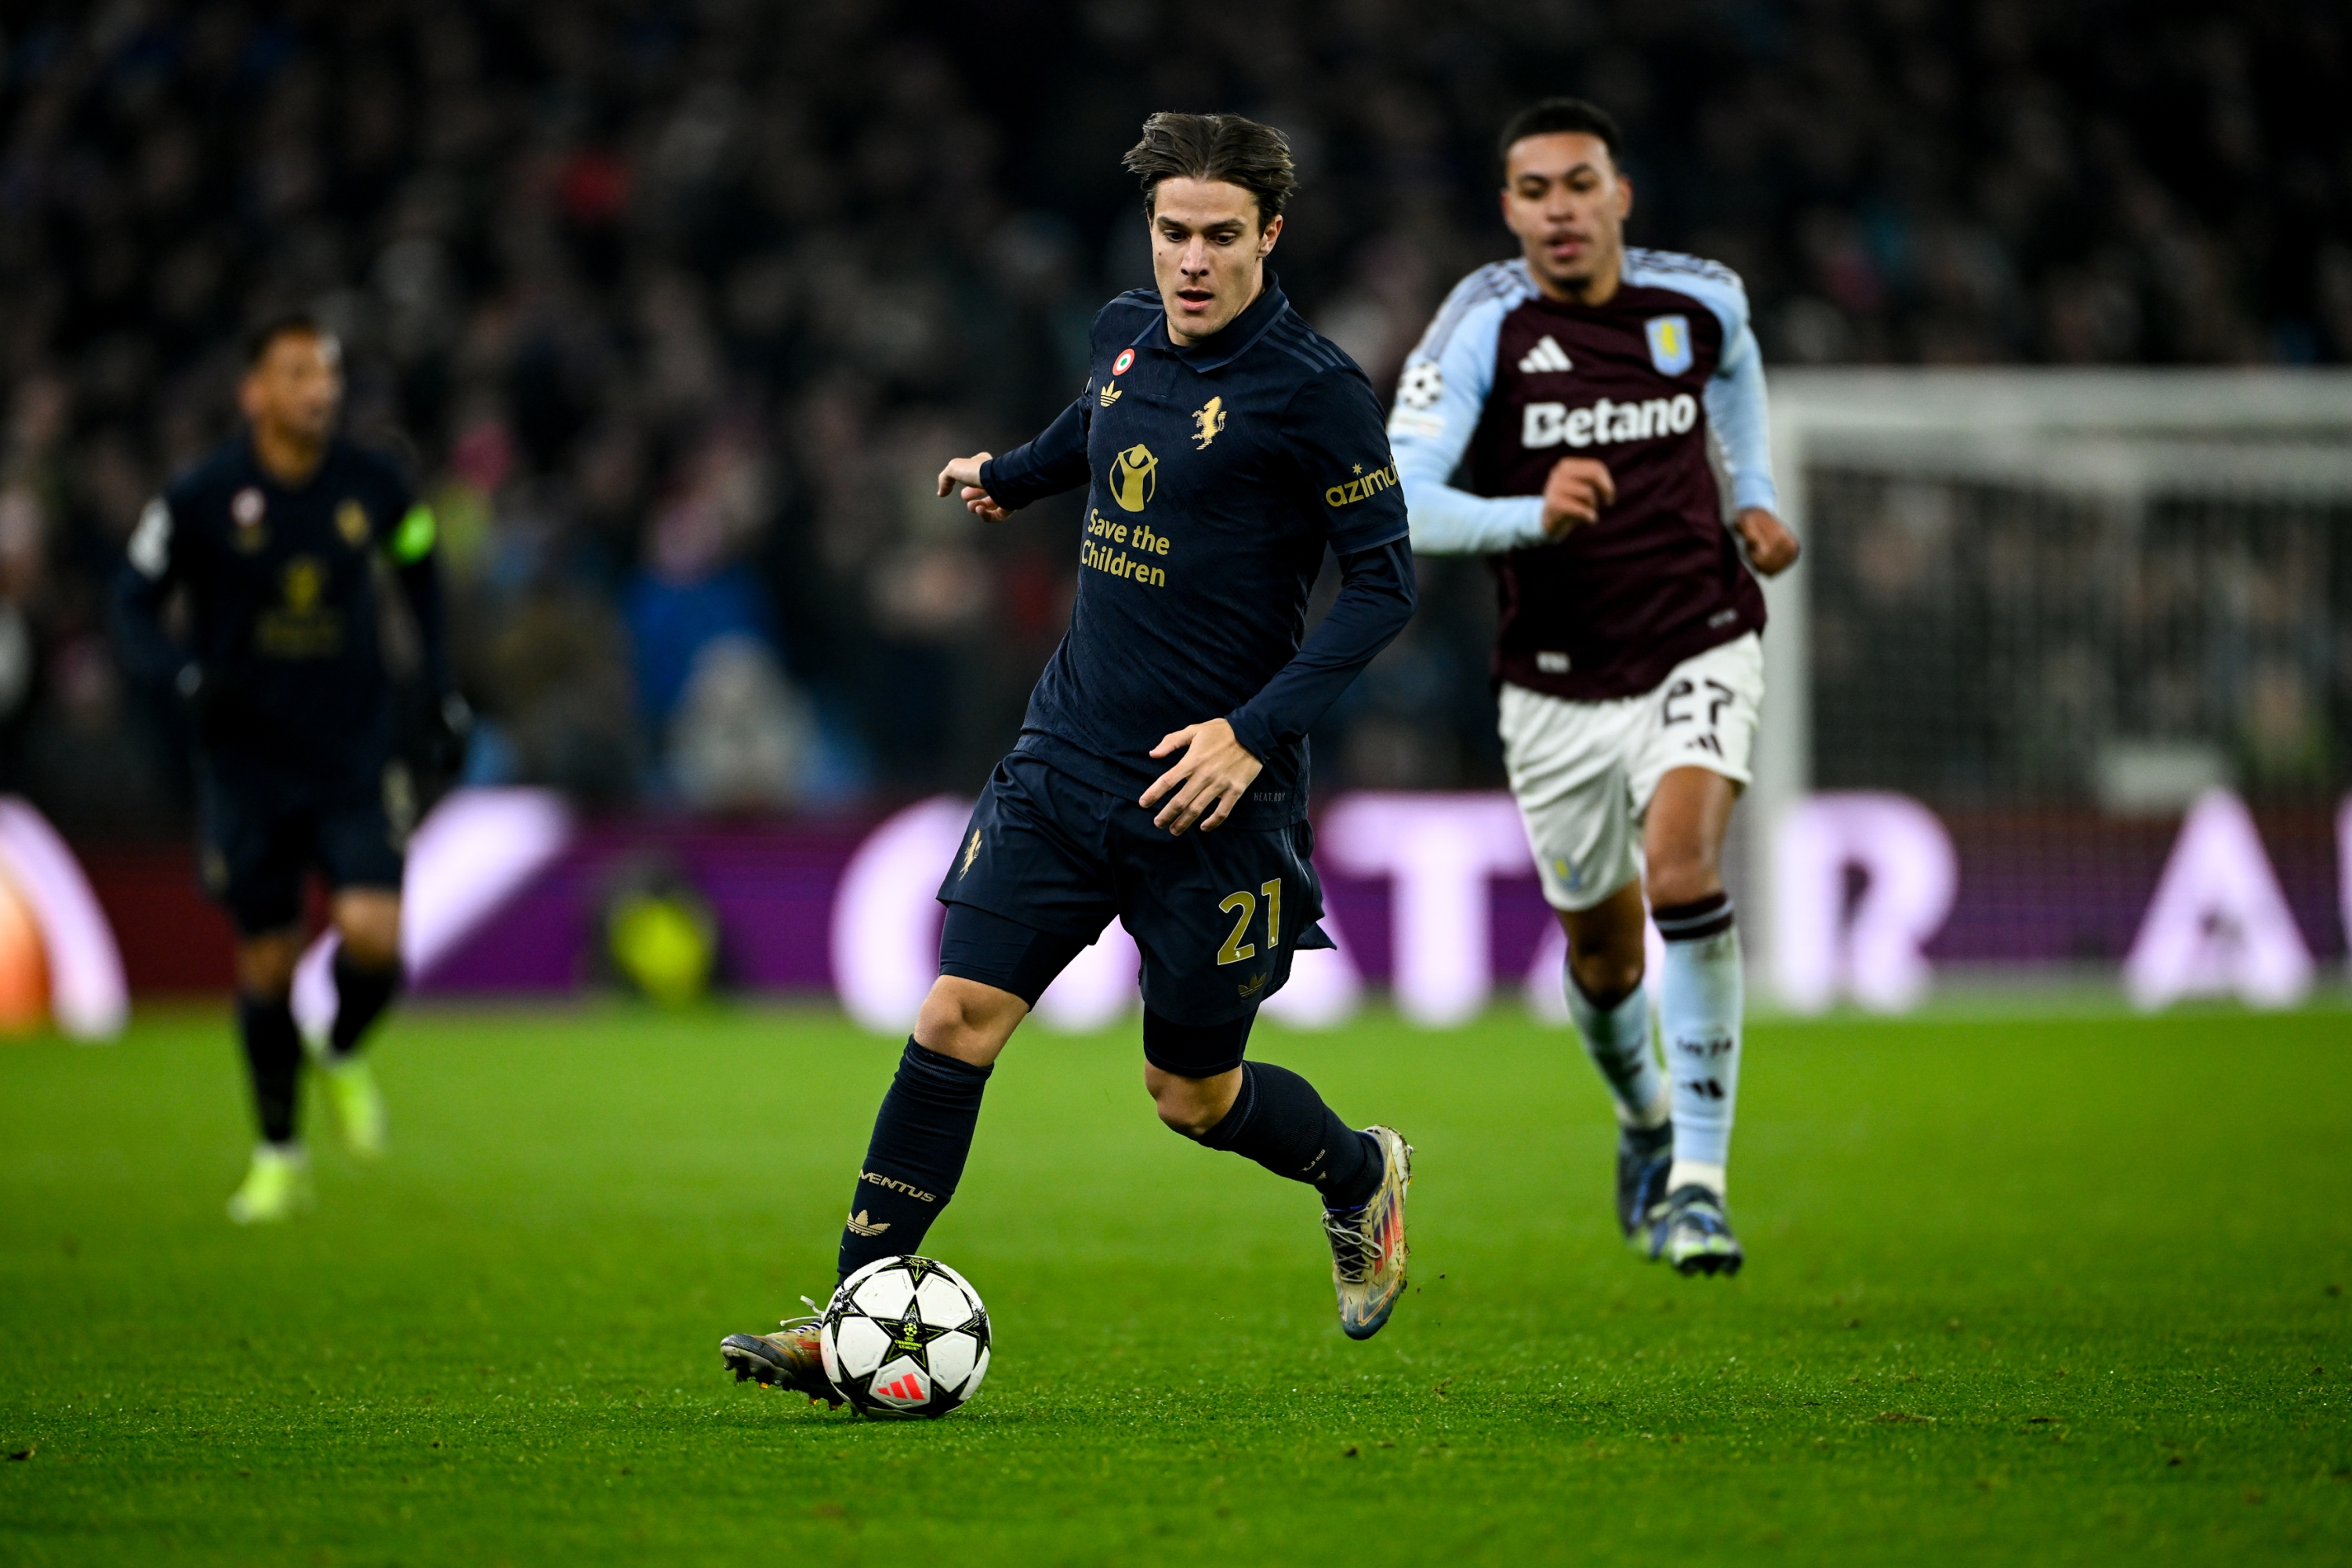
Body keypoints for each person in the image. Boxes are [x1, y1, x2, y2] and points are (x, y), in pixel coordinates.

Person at [723, 112, 1419, 1400]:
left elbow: (1384, 589)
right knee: (955, 1016)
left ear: (1271, 234)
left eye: (1220, 236)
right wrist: (1010, 473)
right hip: (1064, 757)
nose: (1193, 261)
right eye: (1173, 233)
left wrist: (1251, 733)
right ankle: (842, 1319)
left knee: (1190, 1096)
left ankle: (1358, 1172)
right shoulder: (1120, 332)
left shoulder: (1317, 393)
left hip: (1214, 794)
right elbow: (1098, 427)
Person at [1389, 99, 1800, 1276]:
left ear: (1621, 194)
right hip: (1556, 683)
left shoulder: (1700, 299)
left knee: (1685, 870)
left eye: (1581, 184)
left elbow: (1739, 385)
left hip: (1700, 634)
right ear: (1507, 208)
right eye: (1534, 191)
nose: (1560, 210)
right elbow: (1399, 499)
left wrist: (1753, 497)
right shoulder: (1483, 325)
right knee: (1607, 960)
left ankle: (1700, 1187)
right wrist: (1532, 513)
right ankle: (1642, 1119)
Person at [114, 314, 464, 1223]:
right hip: (248, 766)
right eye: (300, 372)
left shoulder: (375, 482)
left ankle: (342, 1047)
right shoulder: (202, 495)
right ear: (256, 393)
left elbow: (420, 561)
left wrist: (436, 684)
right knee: (266, 966)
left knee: (376, 938)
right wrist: (179, 677)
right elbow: (133, 603)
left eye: (330, 372)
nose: (322, 389)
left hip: (352, 750)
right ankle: (278, 1152)